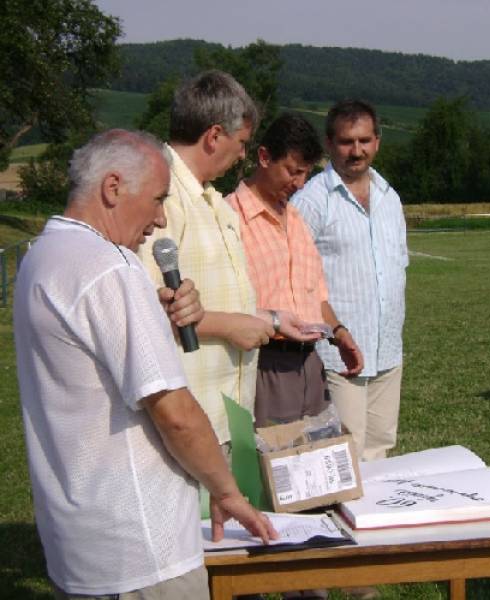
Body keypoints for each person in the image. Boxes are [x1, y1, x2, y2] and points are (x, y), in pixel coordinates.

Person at [13, 129, 278, 599]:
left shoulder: (43, 255)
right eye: (157, 200)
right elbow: (175, 414)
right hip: (142, 556)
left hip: (80, 546)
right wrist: (226, 491)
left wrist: (149, 316)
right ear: (113, 188)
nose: (159, 221)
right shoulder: (111, 267)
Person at [137, 70, 316, 449]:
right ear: (214, 136)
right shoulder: (164, 195)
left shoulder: (209, 199)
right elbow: (145, 315)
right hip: (189, 421)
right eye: (242, 142)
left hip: (223, 415)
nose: (243, 155)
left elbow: (221, 300)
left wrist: (272, 319)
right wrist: (231, 327)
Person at [226, 111, 363, 429]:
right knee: (274, 465)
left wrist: (339, 334)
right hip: (265, 363)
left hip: (310, 363)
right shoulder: (230, 218)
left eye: (306, 174)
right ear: (264, 157)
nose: (299, 184)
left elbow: (316, 295)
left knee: (318, 463)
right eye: (292, 171)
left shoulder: (297, 220)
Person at [293, 99, 408, 463]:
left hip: (386, 349)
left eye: (364, 140)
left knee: (380, 447)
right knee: (344, 453)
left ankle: (371, 521)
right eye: (346, 141)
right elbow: (296, 278)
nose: (356, 151)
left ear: (377, 141)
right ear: (329, 143)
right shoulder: (312, 200)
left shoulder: (390, 197)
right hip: (336, 354)